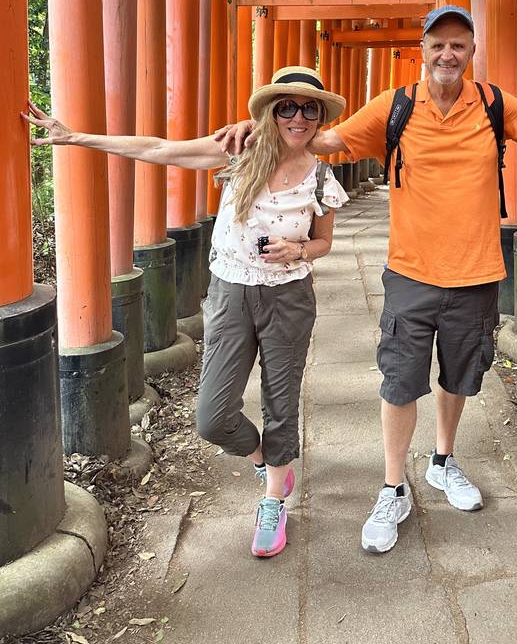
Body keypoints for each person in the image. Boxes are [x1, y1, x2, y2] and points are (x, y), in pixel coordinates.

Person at [217, 6, 517, 555]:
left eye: (459, 45)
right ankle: (393, 487)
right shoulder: (394, 107)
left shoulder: (492, 105)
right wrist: (262, 124)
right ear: (423, 47)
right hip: (411, 273)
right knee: (399, 382)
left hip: (477, 271)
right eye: (438, 44)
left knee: (461, 377)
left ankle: (442, 461)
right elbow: (321, 140)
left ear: (471, 51)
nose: (448, 54)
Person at [24, 66, 348, 559]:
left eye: (309, 108)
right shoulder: (237, 153)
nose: (298, 117)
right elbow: (158, 148)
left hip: (290, 299)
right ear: (269, 112)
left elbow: (325, 241)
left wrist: (299, 250)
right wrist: (75, 137)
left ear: (319, 116)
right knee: (212, 418)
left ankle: (274, 497)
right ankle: (266, 460)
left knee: (281, 401)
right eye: (287, 106)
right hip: (231, 295)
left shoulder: (322, 176)